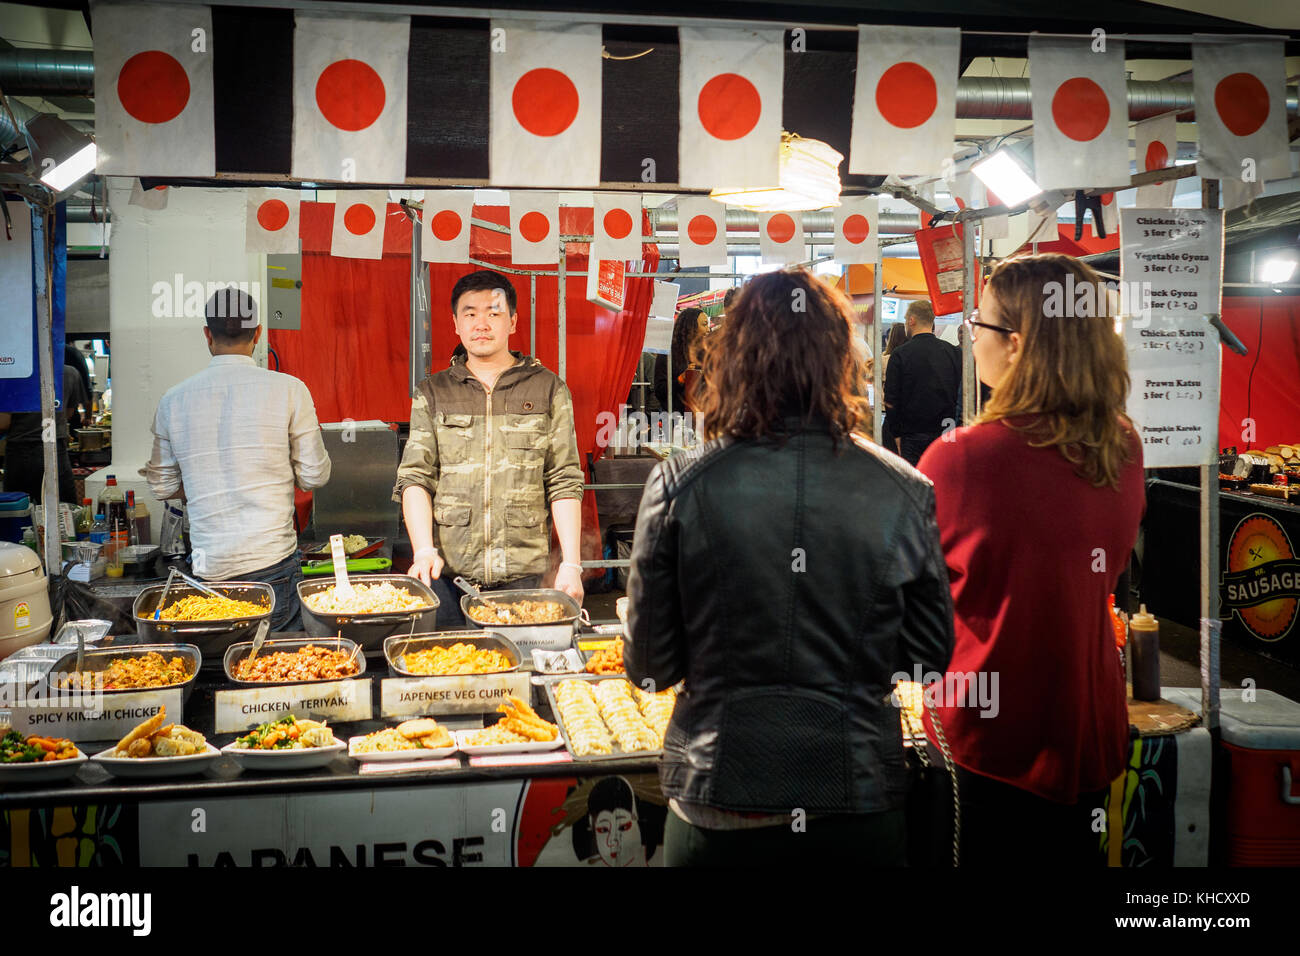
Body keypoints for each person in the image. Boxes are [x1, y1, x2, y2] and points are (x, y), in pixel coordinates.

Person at [625, 267, 955, 866]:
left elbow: (650, 664)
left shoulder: (680, 483)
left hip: (716, 805)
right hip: (857, 801)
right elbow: (929, 655)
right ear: (842, 362)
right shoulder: (904, 489)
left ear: (731, 359)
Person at [918, 253, 1144, 866]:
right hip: (1091, 721)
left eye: (979, 326)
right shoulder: (1122, 443)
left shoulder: (962, 457)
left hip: (994, 735)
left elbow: (913, 595)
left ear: (1015, 344)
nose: (972, 338)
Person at [396, 269, 585, 624]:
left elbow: (564, 479)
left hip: (525, 578)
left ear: (513, 320)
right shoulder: (433, 393)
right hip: (448, 577)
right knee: (452, 671)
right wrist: (423, 550)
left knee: (520, 674)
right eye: (470, 313)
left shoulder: (547, 389)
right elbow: (415, 478)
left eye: (493, 312)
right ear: (455, 323)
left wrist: (572, 564)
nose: (481, 323)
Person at [142, 288, 331, 631]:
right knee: (277, 670)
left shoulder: (174, 400)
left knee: (218, 669)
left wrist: (203, 483)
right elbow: (315, 476)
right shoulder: (290, 389)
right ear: (258, 332)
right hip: (273, 563)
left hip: (210, 569)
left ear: (207, 334)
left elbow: (161, 485)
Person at [883, 300, 961, 465]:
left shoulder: (900, 354)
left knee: (914, 481)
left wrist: (896, 434)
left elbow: (891, 398)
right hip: (947, 431)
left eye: (906, 320)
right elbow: (960, 394)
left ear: (912, 320)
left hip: (911, 434)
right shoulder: (953, 352)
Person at [1, 361, 91, 504]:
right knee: (63, 510)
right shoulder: (70, 373)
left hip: (20, 452)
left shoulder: (14, 374)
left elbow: (3, 422)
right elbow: (68, 413)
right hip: (55, 447)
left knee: (19, 513)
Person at [652, 306, 707, 415]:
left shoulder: (705, 354)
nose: (708, 329)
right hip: (675, 419)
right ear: (691, 327)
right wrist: (681, 378)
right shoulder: (668, 353)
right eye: (704, 324)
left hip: (701, 417)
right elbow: (660, 390)